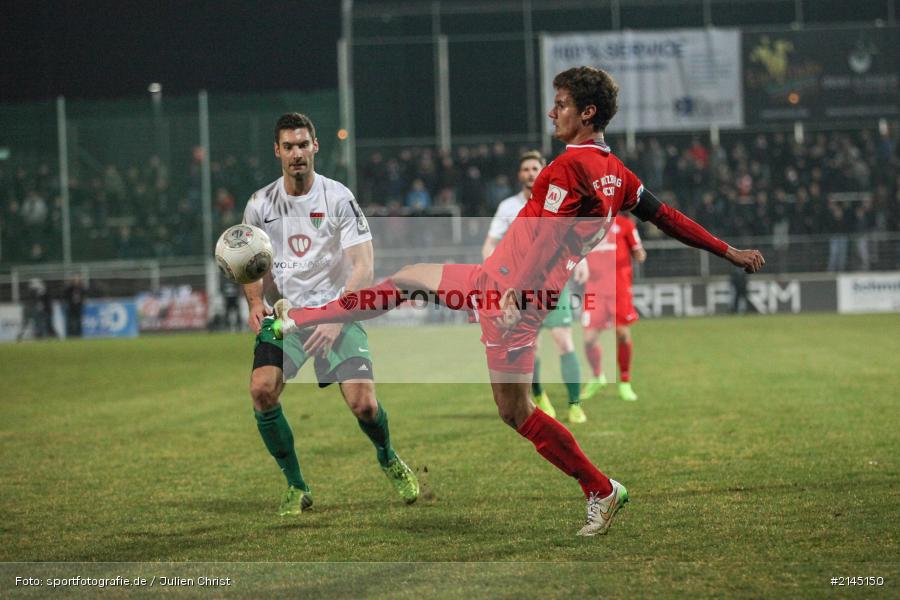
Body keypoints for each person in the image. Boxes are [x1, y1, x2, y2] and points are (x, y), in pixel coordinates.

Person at [275, 67, 764, 536]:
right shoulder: (616, 172)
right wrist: (727, 250)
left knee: (515, 409)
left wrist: (511, 293)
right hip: (509, 284)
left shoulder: (569, 167)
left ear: (588, 113)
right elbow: (669, 217)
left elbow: (546, 240)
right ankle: (299, 318)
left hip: (512, 293)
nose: (554, 114)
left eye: (562, 106)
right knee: (409, 282)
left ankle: (600, 488)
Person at [242, 113, 420, 516]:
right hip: (288, 317)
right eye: (288, 146)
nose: (297, 154)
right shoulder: (259, 204)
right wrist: (255, 301)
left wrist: (335, 317)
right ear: (277, 151)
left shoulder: (338, 197)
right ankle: (296, 485)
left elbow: (363, 267)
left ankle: (388, 456)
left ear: (315, 147)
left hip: (338, 310)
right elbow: (250, 264)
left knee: (365, 406)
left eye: (303, 145)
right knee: (261, 390)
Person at [482, 150, 584, 423]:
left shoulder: (558, 203)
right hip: (520, 289)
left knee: (564, 340)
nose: (530, 173)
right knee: (531, 347)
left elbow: (575, 238)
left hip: (553, 284)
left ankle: (575, 404)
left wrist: (581, 261)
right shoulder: (507, 207)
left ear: (543, 172)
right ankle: (540, 397)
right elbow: (490, 243)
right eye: (525, 169)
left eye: (534, 168)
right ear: (520, 175)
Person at [577, 214, 645, 402]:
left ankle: (625, 381)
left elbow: (639, 252)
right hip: (593, 289)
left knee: (622, 333)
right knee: (589, 339)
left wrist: (638, 253)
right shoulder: (585, 227)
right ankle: (598, 376)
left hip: (619, 288)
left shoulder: (625, 225)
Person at [63, 274, 87, 338]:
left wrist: (81, 302)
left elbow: (84, 296)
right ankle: (70, 335)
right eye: (75, 279)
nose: (76, 280)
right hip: (71, 306)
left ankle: (79, 335)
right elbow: (65, 296)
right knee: (70, 322)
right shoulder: (69, 288)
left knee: (79, 321)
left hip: (78, 307)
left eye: (77, 279)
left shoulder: (81, 288)